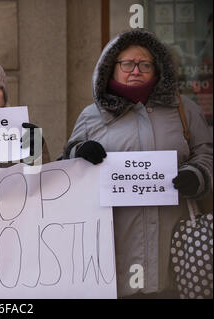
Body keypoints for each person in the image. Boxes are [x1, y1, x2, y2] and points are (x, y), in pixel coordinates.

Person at [61, 30, 213, 298]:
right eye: (127, 64)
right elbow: (66, 166)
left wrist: (196, 175)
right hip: (112, 246)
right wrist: (80, 152)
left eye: (145, 64)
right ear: (111, 68)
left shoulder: (184, 110)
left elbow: (206, 152)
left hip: (174, 243)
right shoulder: (91, 115)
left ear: (157, 69)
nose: (136, 71)